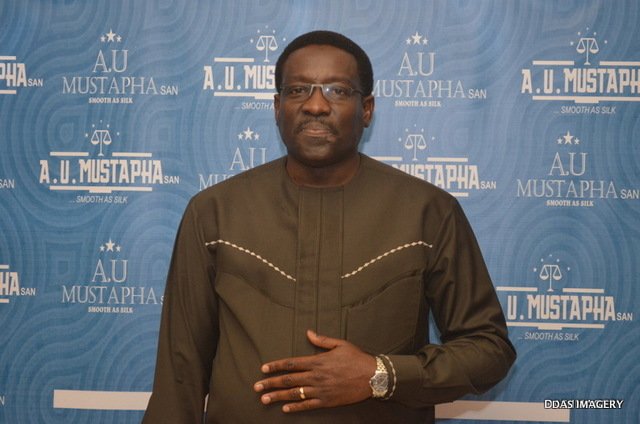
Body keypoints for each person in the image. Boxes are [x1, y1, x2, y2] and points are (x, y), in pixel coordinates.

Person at [143, 30, 516, 423]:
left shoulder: (428, 212)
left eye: (337, 91)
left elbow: (488, 350)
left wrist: (380, 375)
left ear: (367, 109)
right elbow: (179, 376)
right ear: (277, 107)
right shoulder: (214, 212)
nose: (316, 105)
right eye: (298, 90)